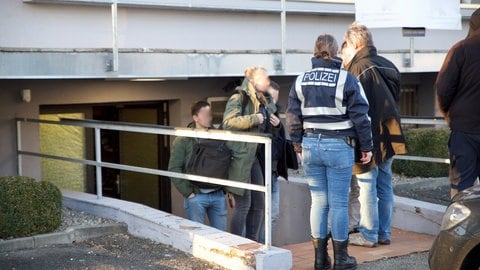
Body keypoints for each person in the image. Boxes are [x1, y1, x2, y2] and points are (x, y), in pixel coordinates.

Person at [286, 34, 373, 270]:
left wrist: (297, 145)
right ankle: (342, 259)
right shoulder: (346, 79)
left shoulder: (300, 80)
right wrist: (366, 147)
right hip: (339, 146)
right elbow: (361, 117)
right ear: (336, 52)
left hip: (311, 145)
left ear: (315, 52)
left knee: (318, 203)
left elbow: (292, 118)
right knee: (337, 204)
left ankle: (319, 259)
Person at [343, 22, 407, 248]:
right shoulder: (389, 65)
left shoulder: (356, 69)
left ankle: (368, 235)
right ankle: (383, 232)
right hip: (390, 132)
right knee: (385, 185)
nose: (346, 51)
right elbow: (395, 98)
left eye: (348, 46)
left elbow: (354, 109)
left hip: (368, 136)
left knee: (367, 185)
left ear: (356, 44)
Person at [222, 66, 278, 241]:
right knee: (243, 205)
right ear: (253, 81)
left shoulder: (261, 99)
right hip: (240, 157)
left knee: (259, 203)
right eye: (264, 78)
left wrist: (274, 121)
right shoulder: (238, 97)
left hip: (254, 156)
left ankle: (252, 243)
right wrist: (254, 119)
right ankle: (236, 244)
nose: (267, 81)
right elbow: (228, 122)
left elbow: (269, 118)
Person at [436, 8, 480, 199]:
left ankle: (460, 228)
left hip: (464, 130)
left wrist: (448, 115)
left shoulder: (461, 49)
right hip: (465, 127)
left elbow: (443, 89)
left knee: (461, 187)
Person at [168, 101, 227, 231]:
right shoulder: (183, 139)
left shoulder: (217, 136)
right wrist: (189, 193)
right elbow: (174, 168)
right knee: (197, 237)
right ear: (195, 117)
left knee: (222, 237)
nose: (209, 117)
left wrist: (227, 190)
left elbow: (225, 164)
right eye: (205, 114)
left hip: (218, 194)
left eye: (210, 114)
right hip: (196, 195)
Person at [257, 80, 291, 244]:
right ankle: (259, 247)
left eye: (276, 100)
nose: (274, 103)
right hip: (260, 172)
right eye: (271, 99)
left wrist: (279, 128)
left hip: (273, 172)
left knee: (273, 213)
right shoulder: (260, 115)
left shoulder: (274, 116)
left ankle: (265, 245)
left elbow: (279, 144)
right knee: (257, 212)